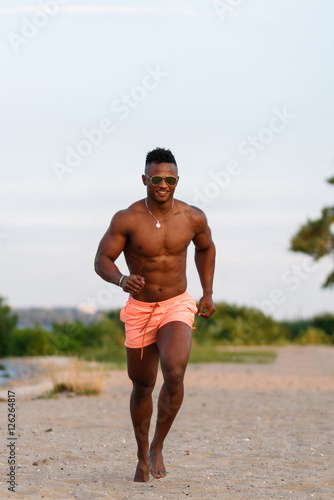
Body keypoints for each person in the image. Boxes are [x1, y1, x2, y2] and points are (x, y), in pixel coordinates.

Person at [94, 147, 216, 482]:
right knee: (142, 385)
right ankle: (140, 452)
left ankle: (158, 446)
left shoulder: (192, 217)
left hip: (176, 304)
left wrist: (206, 292)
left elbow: (206, 247)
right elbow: (101, 259)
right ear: (145, 179)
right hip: (140, 309)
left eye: (170, 179)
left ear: (177, 181)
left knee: (174, 372)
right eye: (157, 178)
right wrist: (121, 279)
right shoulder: (128, 218)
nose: (163, 184)